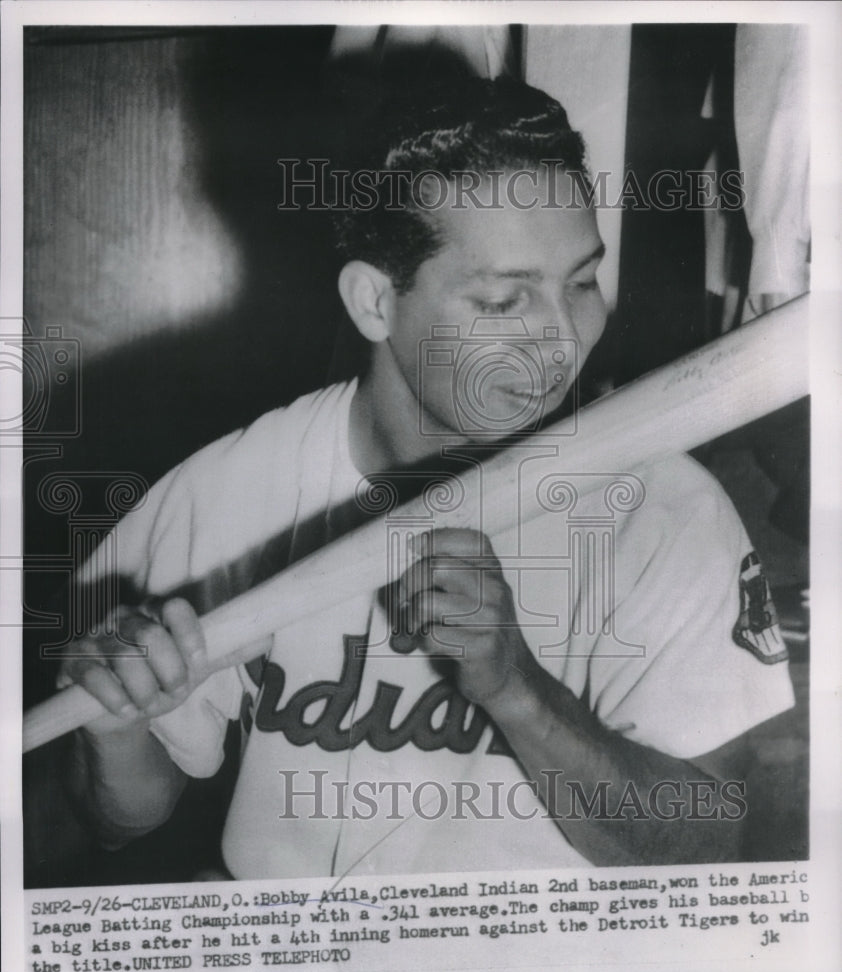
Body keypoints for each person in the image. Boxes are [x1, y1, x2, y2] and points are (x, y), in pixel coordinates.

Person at [59, 77, 799, 879]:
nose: (562, 342)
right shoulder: (221, 494)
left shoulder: (668, 509)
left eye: (582, 282)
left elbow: (703, 846)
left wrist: (516, 688)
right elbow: (121, 821)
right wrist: (117, 726)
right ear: (375, 301)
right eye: (502, 300)